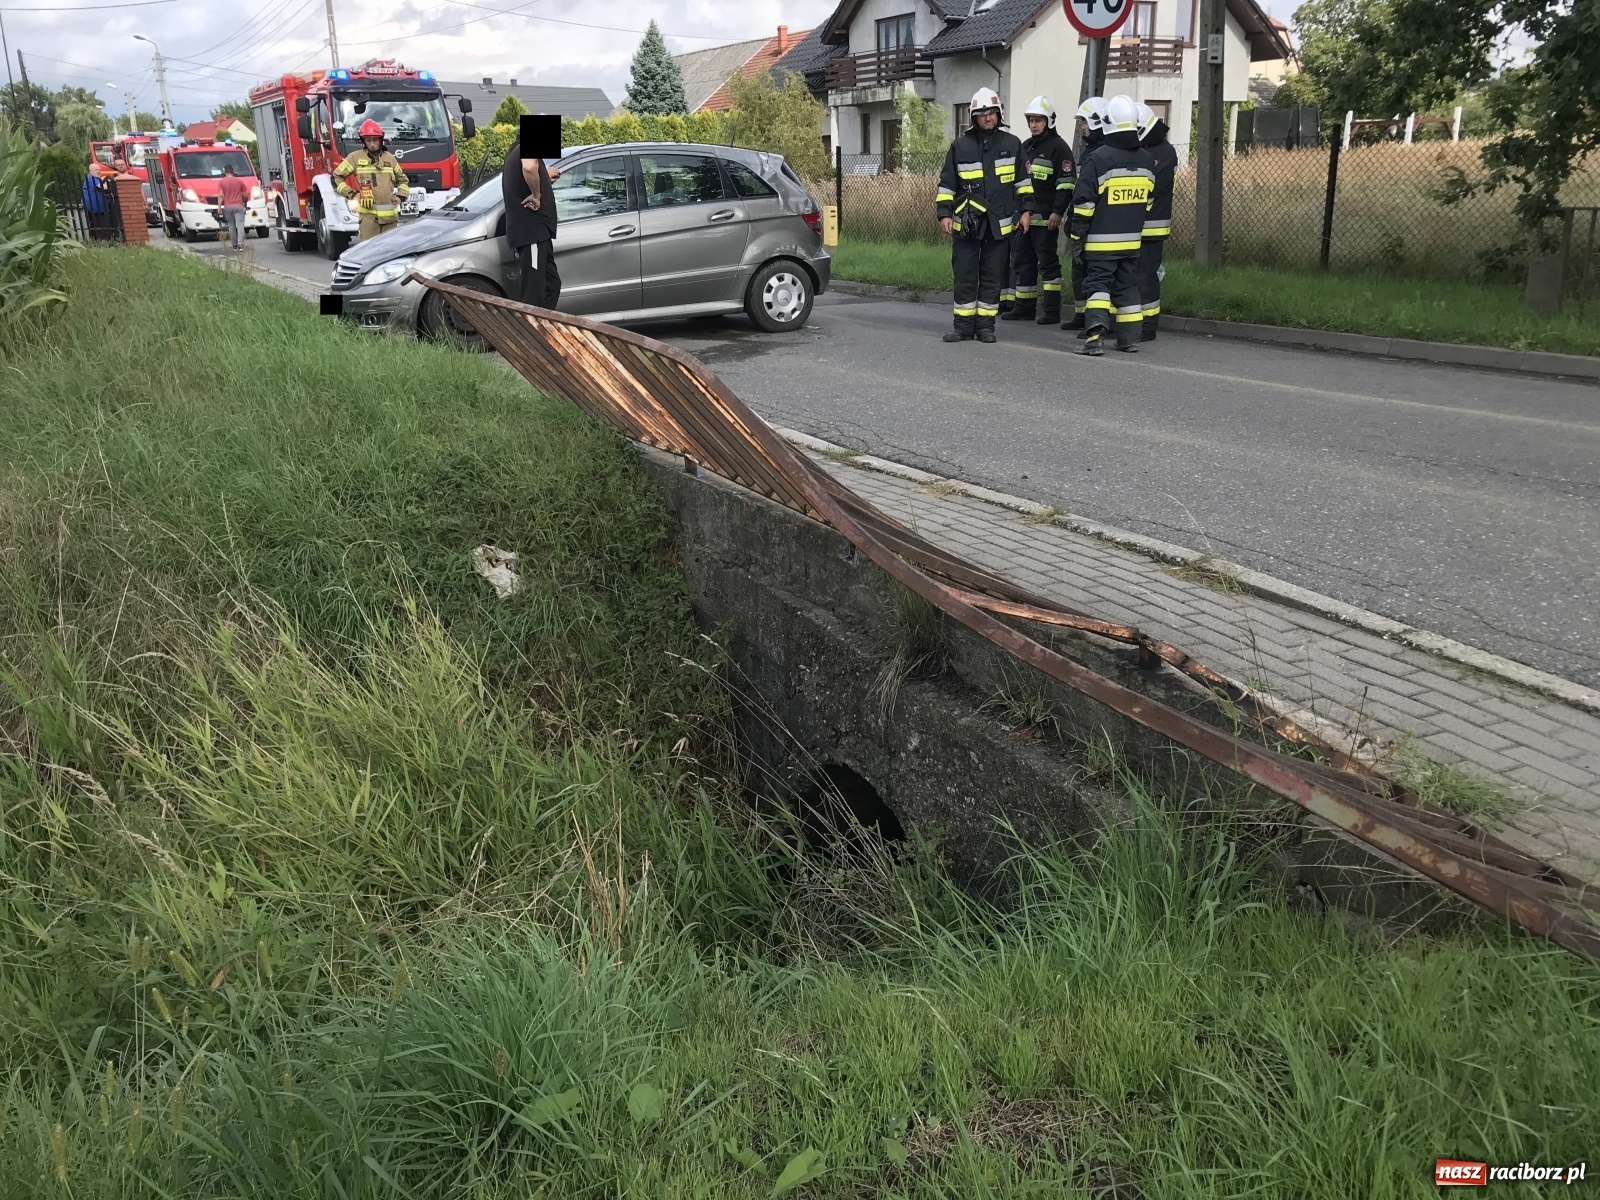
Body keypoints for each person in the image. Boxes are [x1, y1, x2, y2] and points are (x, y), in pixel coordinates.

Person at [934, 88, 1031, 344]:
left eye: (992, 113)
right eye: (982, 114)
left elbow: (1023, 183)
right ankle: (963, 328)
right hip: (967, 223)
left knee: (992, 275)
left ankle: (986, 328)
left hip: (998, 223)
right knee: (965, 274)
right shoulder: (960, 146)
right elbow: (946, 184)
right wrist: (944, 213)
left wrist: (1026, 211)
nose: (988, 118)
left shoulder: (1013, 145)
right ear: (974, 117)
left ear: (999, 115)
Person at [1066, 94, 1156, 356]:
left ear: (1106, 123)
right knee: (1128, 287)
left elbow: (1084, 203)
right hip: (1131, 241)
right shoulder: (1147, 160)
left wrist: (1077, 235)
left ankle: (1094, 339)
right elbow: (1148, 202)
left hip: (1100, 241)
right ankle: (1129, 339)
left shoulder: (1098, 158)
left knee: (1098, 286)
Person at [1002, 95, 1074, 325]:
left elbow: (1066, 183)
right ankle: (1024, 308)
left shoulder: (1060, 148)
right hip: (1025, 219)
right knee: (1023, 263)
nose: (1033, 125)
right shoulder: (1026, 147)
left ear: (1049, 121)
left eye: (1038, 120)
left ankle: (1051, 311)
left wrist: (1057, 212)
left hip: (1046, 219)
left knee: (1048, 264)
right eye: (1031, 120)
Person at [1062, 98, 1107, 333]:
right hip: (1082, 218)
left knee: (1092, 274)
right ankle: (1081, 315)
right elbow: (1080, 189)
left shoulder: (1102, 153)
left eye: (1085, 123)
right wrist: (1072, 216)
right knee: (1078, 270)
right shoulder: (1089, 151)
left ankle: (1094, 319)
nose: (1083, 128)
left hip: (1095, 224)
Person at [501, 138, 561, 309]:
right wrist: (537, 195)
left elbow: (530, 168)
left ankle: (543, 330)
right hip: (531, 234)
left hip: (540, 234)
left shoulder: (516, 150)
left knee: (552, 285)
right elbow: (528, 166)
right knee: (534, 294)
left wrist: (542, 174)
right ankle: (529, 333)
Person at [1135, 103, 1178, 342]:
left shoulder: (1164, 152)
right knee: (1131, 275)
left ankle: (1148, 325)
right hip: (1134, 224)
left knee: (1146, 275)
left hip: (1152, 225)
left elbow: (1149, 185)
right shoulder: (1149, 148)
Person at [334, 119, 408, 241]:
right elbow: (336, 177)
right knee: (368, 254)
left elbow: (403, 181)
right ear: (363, 141)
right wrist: (352, 194)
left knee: (390, 255)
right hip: (368, 220)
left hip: (390, 221)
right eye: (368, 140)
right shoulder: (355, 158)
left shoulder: (390, 159)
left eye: (375, 140)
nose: (372, 144)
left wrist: (400, 196)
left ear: (381, 140)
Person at [217, 163, 251, 252]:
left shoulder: (221, 182)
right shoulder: (239, 181)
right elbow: (244, 195)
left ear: (225, 172)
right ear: (232, 171)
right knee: (240, 226)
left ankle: (234, 245)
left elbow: (221, 195)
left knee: (231, 226)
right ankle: (240, 245)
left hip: (228, 206)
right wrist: (245, 203)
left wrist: (219, 207)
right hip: (239, 205)